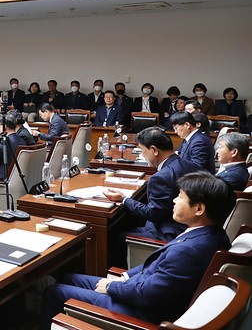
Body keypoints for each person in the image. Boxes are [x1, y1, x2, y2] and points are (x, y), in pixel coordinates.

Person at [42, 171, 235, 329]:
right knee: (69, 277)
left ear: (199, 209)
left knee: (54, 291)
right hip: (138, 289)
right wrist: (125, 277)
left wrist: (111, 287)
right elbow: (158, 266)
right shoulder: (213, 234)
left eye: (180, 197)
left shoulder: (190, 251)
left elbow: (147, 296)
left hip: (138, 312)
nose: (174, 201)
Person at [103, 126, 202, 265]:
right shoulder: (190, 165)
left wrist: (124, 199)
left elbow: (153, 213)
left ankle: (119, 272)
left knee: (113, 235)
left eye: (143, 150)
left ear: (154, 150)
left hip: (168, 232)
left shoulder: (161, 177)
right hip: (187, 225)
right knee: (125, 222)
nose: (143, 155)